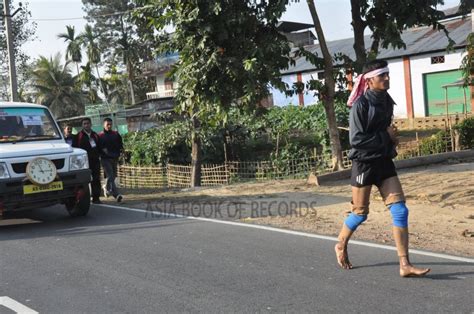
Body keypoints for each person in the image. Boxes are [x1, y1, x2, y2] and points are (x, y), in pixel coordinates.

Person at [335, 59, 430, 278]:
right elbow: (356, 140)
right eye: (382, 76)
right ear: (369, 81)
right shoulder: (361, 105)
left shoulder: (387, 100)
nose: (387, 79)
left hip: (384, 161)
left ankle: (405, 264)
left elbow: (386, 129)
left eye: (387, 75)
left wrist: (392, 141)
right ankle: (341, 244)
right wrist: (385, 136)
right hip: (364, 164)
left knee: (400, 210)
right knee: (360, 213)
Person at [73, 117, 102, 204]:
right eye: (84, 124)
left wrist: (99, 156)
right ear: (82, 125)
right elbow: (75, 149)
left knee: (96, 179)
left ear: (91, 124)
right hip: (83, 162)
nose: (86, 125)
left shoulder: (95, 135)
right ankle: (82, 199)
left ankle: (96, 198)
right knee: (83, 180)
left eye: (88, 123)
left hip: (95, 161)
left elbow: (99, 147)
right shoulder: (78, 136)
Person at [98, 118, 123, 202]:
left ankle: (106, 187)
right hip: (105, 159)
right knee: (110, 175)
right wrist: (103, 151)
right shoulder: (100, 135)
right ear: (103, 125)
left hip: (114, 157)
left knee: (113, 176)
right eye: (107, 124)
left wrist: (121, 152)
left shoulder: (116, 134)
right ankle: (116, 195)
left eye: (110, 124)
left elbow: (120, 144)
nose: (109, 126)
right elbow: (99, 147)